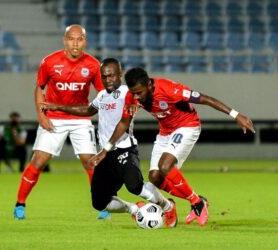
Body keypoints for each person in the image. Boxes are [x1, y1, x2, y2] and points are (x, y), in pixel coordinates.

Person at [90, 67, 255, 227]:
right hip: (165, 132)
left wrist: (235, 115)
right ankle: (191, 201)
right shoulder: (132, 97)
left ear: (149, 85)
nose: (136, 97)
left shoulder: (169, 89)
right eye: (133, 93)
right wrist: (106, 149)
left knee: (165, 165)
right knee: (155, 177)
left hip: (187, 126)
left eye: (139, 92)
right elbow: (124, 123)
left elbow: (205, 98)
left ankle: (196, 203)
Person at [42, 58, 177, 228]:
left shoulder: (128, 93)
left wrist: (136, 106)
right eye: (104, 77)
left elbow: (131, 113)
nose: (108, 80)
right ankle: (134, 210)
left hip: (124, 148)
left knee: (135, 186)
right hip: (106, 155)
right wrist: (59, 107)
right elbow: (88, 110)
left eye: (112, 76)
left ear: (120, 74)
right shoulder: (102, 95)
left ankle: (168, 206)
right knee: (99, 202)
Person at [13, 24, 104, 219]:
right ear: (64, 40)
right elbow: (40, 88)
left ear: (85, 42)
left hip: (81, 118)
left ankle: (103, 206)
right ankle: (20, 204)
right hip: (54, 117)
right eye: (71, 39)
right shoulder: (50, 62)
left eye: (79, 39)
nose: (75, 43)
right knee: (39, 161)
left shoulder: (93, 65)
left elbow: (103, 94)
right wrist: (42, 116)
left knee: (90, 163)